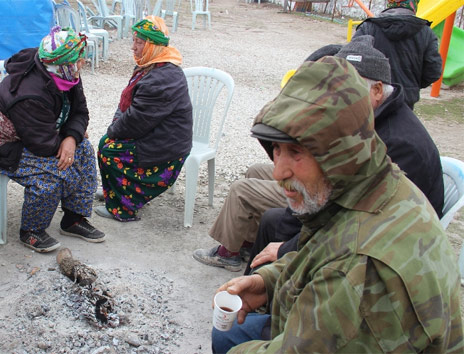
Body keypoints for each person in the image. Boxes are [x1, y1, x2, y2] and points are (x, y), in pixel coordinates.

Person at [211, 56, 462, 353]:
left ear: (340, 154)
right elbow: (325, 251)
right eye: (276, 149)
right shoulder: (375, 183)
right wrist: (269, 281)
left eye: (297, 152)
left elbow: (342, 268)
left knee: (228, 341)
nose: (279, 172)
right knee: (227, 334)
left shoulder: (361, 271)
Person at [194, 35, 444, 272]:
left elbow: (357, 219)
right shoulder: (365, 119)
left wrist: (288, 249)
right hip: (347, 210)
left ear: (377, 90)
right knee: (256, 171)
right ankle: (247, 246)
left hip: (380, 239)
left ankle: (236, 259)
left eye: (348, 89)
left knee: (247, 193)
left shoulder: (399, 144)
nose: (332, 98)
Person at [0, 26, 104, 253]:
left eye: (80, 60)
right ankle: (31, 231)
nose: (82, 65)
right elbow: (42, 146)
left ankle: (73, 219)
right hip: (2, 144)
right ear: (61, 64)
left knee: (84, 151)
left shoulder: (66, 71)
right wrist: (67, 138)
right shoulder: (29, 93)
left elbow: (80, 111)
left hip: (39, 133)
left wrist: (71, 138)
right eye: (79, 61)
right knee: (52, 175)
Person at [94, 16, 192, 222]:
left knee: (108, 150)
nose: (133, 47)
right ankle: (115, 191)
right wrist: (113, 130)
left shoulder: (163, 77)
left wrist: (112, 132)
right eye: (134, 41)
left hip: (166, 145)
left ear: (153, 45)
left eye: (139, 42)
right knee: (106, 143)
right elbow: (134, 113)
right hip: (156, 135)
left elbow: (137, 120)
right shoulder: (155, 65)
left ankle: (123, 209)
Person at [354, 0, 442, 109]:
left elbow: (352, 62)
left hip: (371, 99)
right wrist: (412, 85)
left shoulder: (368, 27)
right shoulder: (426, 33)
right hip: (405, 102)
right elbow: (433, 71)